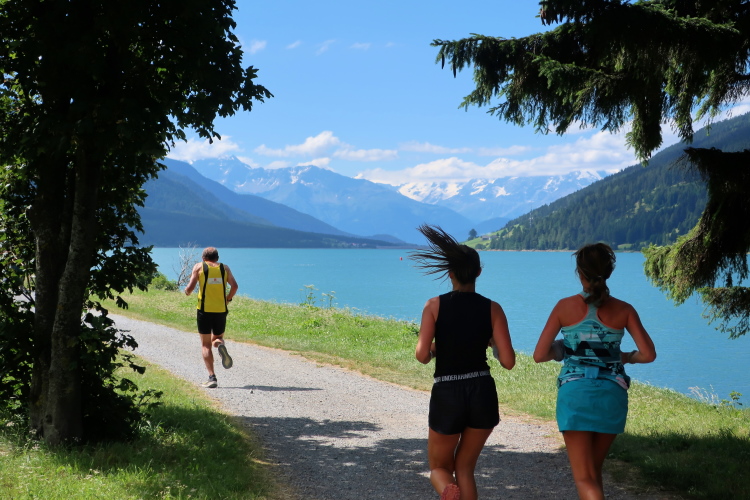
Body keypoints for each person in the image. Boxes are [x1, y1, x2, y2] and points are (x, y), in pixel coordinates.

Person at [533, 243, 656, 500]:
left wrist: (563, 348)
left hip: (575, 394)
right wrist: (625, 357)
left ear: (580, 273)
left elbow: (539, 355)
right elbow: (648, 355)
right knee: (593, 472)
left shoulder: (564, 307)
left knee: (584, 478)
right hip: (612, 394)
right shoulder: (624, 310)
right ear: (608, 272)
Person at [411, 224, 515, 500]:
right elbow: (508, 362)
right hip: (482, 392)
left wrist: (435, 350)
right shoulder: (493, 308)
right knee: (465, 468)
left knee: (439, 467)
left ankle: (448, 491)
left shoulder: (434, 305)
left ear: (450, 273)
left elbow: (422, 355)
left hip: (448, 393)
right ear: (479, 272)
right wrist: (492, 344)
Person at [184, 246, 239, 388]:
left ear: (203, 258)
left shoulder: (198, 267)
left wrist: (187, 291)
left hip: (204, 311)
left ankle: (212, 377)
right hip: (221, 310)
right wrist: (228, 299)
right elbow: (234, 286)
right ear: (217, 258)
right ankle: (220, 345)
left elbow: (190, 288)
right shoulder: (224, 268)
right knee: (217, 338)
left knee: (205, 345)